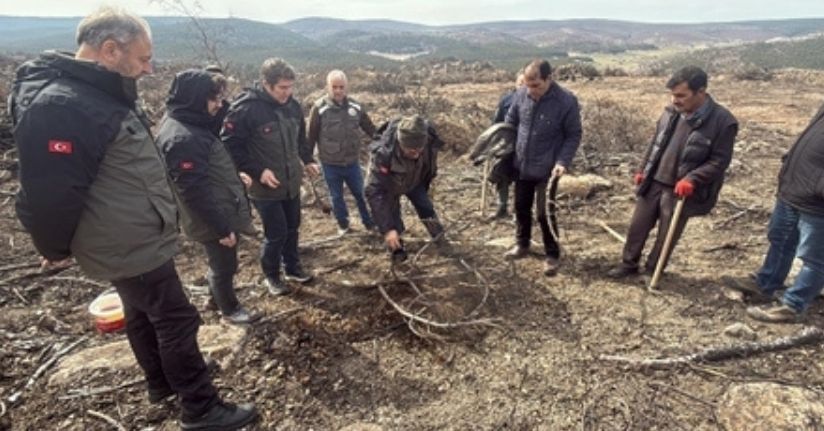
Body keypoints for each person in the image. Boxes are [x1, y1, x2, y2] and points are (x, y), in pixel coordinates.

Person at [9, 7, 257, 429]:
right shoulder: (66, 104)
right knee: (177, 318)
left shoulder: (93, 94)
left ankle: (162, 382)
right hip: (126, 241)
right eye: (143, 58)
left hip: (128, 234)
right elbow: (50, 189)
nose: (150, 67)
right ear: (110, 50)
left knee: (140, 312)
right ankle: (201, 407)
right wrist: (51, 246)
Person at [607, 66, 738, 279]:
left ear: (701, 92)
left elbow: (719, 161)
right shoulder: (671, 112)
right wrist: (643, 169)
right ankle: (628, 264)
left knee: (666, 235)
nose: (674, 100)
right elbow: (655, 143)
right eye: (672, 95)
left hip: (680, 189)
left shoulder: (723, 121)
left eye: (681, 95)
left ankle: (652, 271)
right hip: (654, 180)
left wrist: (692, 179)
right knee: (637, 227)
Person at [156, 69, 258, 325]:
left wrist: (235, 177)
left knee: (221, 263)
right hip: (211, 217)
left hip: (215, 208)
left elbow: (207, 170)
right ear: (196, 98)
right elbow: (194, 190)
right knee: (224, 266)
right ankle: (230, 309)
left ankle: (216, 298)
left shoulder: (189, 122)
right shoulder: (183, 138)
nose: (219, 105)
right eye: (213, 99)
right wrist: (221, 228)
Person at [222, 57, 320, 296]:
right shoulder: (246, 109)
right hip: (264, 187)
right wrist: (257, 171)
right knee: (276, 233)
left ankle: (292, 267)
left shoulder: (293, 106)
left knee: (293, 227)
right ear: (266, 84)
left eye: (291, 87)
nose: (288, 92)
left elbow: (300, 139)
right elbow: (230, 146)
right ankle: (272, 276)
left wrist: (307, 160)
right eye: (282, 88)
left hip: (290, 182)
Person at [725, 103, 824, 323]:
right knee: (780, 239)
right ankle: (766, 284)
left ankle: (793, 306)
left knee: (814, 258)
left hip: (818, 204)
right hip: (793, 191)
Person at [504, 59, 582, 276]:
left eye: (536, 85)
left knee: (543, 213)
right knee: (520, 207)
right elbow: (510, 123)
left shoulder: (566, 101)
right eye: (528, 85)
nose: (531, 90)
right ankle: (522, 244)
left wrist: (562, 162)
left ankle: (552, 254)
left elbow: (573, 134)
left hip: (548, 168)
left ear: (549, 79)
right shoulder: (521, 95)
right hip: (522, 164)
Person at [365, 115, 445, 261]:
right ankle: (397, 250)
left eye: (419, 149)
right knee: (393, 222)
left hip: (415, 182)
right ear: (400, 142)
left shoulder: (428, 141)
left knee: (426, 209)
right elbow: (374, 191)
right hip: (389, 186)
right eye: (410, 150)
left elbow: (429, 167)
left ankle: (441, 240)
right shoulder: (383, 155)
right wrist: (388, 229)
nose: (416, 153)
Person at [307, 70, 377, 235]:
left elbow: (370, 129)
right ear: (328, 87)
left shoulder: (356, 107)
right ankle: (343, 225)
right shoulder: (319, 108)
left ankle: (369, 223)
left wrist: (384, 143)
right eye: (334, 87)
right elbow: (311, 136)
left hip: (352, 162)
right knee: (336, 197)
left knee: (361, 194)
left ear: (347, 87)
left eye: (341, 87)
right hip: (330, 163)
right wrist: (308, 160)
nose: (338, 91)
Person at [489, 72, 524, 219]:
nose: (523, 85)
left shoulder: (536, 101)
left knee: (521, 178)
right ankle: (502, 207)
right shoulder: (506, 99)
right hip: (507, 144)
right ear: (516, 83)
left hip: (525, 145)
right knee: (502, 174)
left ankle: (519, 210)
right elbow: (497, 121)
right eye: (520, 82)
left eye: (526, 82)